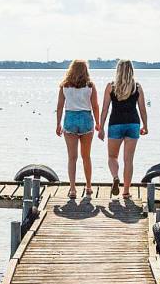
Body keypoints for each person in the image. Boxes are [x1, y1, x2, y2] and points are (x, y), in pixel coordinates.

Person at [101, 60, 148, 200]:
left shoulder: (111, 86)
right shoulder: (137, 87)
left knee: (112, 157)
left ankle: (116, 177)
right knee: (128, 160)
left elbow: (104, 109)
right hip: (133, 124)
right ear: (131, 71)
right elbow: (142, 109)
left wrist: (101, 128)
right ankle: (126, 192)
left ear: (118, 70)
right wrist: (145, 125)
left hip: (115, 124)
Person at [53, 59, 100, 198]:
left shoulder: (64, 86)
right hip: (86, 119)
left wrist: (58, 124)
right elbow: (95, 106)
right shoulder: (90, 85)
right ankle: (89, 186)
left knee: (72, 158)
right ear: (86, 70)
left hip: (70, 119)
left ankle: (73, 189)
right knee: (86, 157)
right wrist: (98, 123)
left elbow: (60, 106)